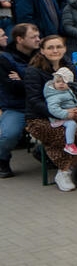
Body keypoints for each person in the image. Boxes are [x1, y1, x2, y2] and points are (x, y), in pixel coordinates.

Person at [24, 34, 77, 190]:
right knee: (64, 134)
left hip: (70, 112)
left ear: (64, 48)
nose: (55, 50)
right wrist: (62, 113)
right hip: (40, 118)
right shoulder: (33, 71)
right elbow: (35, 101)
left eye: (59, 47)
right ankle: (64, 172)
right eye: (50, 47)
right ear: (42, 51)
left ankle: (71, 166)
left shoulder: (69, 66)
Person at [0, 24, 41, 178]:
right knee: (8, 135)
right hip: (17, 106)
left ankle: (44, 152)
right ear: (19, 39)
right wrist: (32, 82)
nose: (38, 40)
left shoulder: (43, 54)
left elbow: (52, 81)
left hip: (41, 105)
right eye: (33, 37)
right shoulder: (4, 58)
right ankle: (2, 159)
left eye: (38, 36)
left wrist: (22, 79)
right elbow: (12, 87)